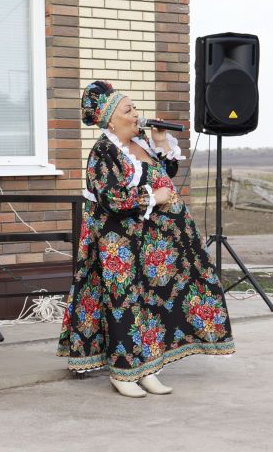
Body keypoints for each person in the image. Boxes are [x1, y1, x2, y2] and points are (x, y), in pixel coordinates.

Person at [57, 81, 235, 397]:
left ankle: (149, 368)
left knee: (151, 305)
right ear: (111, 119)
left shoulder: (142, 143)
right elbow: (110, 197)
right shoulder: (104, 151)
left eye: (135, 108)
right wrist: (153, 195)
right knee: (125, 303)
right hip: (119, 243)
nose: (136, 114)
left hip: (152, 245)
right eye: (129, 110)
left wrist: (162, 142)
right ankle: (124, 373)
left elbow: (165, 172)